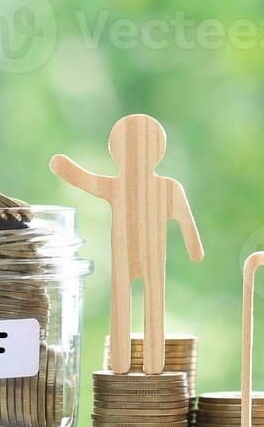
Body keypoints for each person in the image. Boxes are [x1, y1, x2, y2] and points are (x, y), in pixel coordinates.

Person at [52, 114, 204, 376]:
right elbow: (88, 181)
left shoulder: (168, 188)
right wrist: (66, 168)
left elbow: (187, 224)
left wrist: (194, 247)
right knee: (124, 303)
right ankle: (122, 362)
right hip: (125, 259)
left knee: (152, 305)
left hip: (151, 259)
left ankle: (152, 362)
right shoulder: (136, 186)